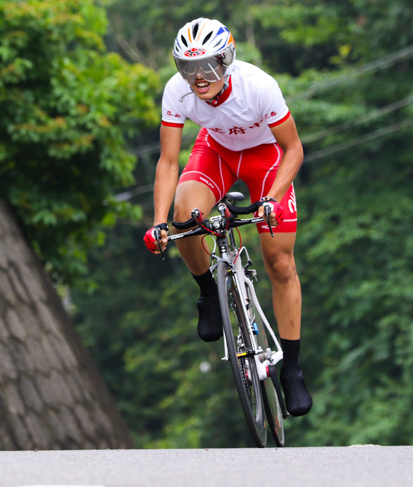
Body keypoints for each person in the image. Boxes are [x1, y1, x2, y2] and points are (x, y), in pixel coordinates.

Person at [143, 18, 312, 417]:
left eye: (208, 67)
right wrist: (158, 221)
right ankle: (208, 292)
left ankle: (292, 368)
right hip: (215, 151)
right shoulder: (176, 92)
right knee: (186, 216)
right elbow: (168, 162)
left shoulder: (259, 86)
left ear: (228, 60)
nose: (198, 78)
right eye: (187, 68)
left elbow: (294, 150)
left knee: (280, 263)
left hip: (267, 157)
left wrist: (270, 199)